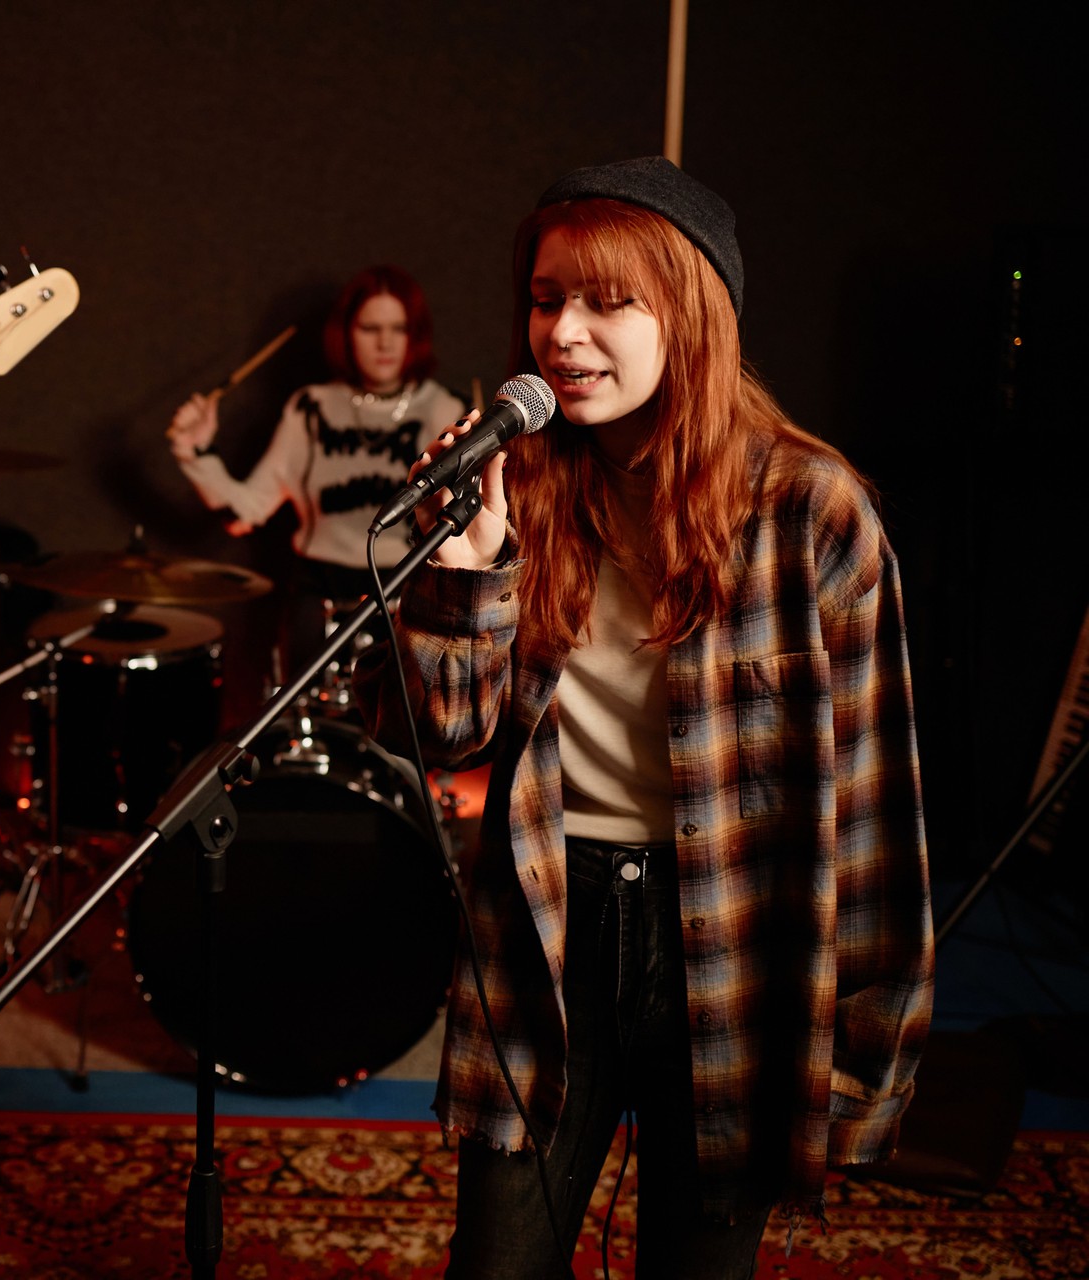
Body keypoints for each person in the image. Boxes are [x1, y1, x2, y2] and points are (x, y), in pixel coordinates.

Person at [359, 157, 932, 1277]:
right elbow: (442, 739)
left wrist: (867, 1072)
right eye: (545, 297)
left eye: (607, 301)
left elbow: (875, 823)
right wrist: (464, 571)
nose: (563, 333)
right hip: (549, 923)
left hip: (729, 946)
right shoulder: (511, 484)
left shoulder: (817, 513)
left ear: (693, 314)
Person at [168, 265, 467, 678]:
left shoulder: (447, 410)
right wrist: (195, 451)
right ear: (346, 333)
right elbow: (246, 512)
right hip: (320, 599)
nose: (384, 342)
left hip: (411, 600)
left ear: (414, 334)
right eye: (369, 328)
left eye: (398, 328)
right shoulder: (310, 409)